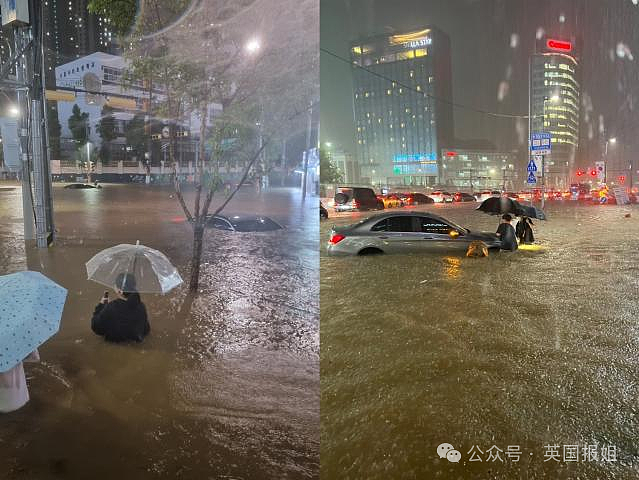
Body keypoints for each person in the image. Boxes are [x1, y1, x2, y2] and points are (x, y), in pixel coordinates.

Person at [91, 273, 149, 343]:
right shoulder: (141, 306)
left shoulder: (111, 308)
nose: (114, 286)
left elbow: (96, 327)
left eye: (115, 285)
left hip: (114, 345)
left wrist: (101, 307)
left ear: (120, 291)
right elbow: (146, 329)